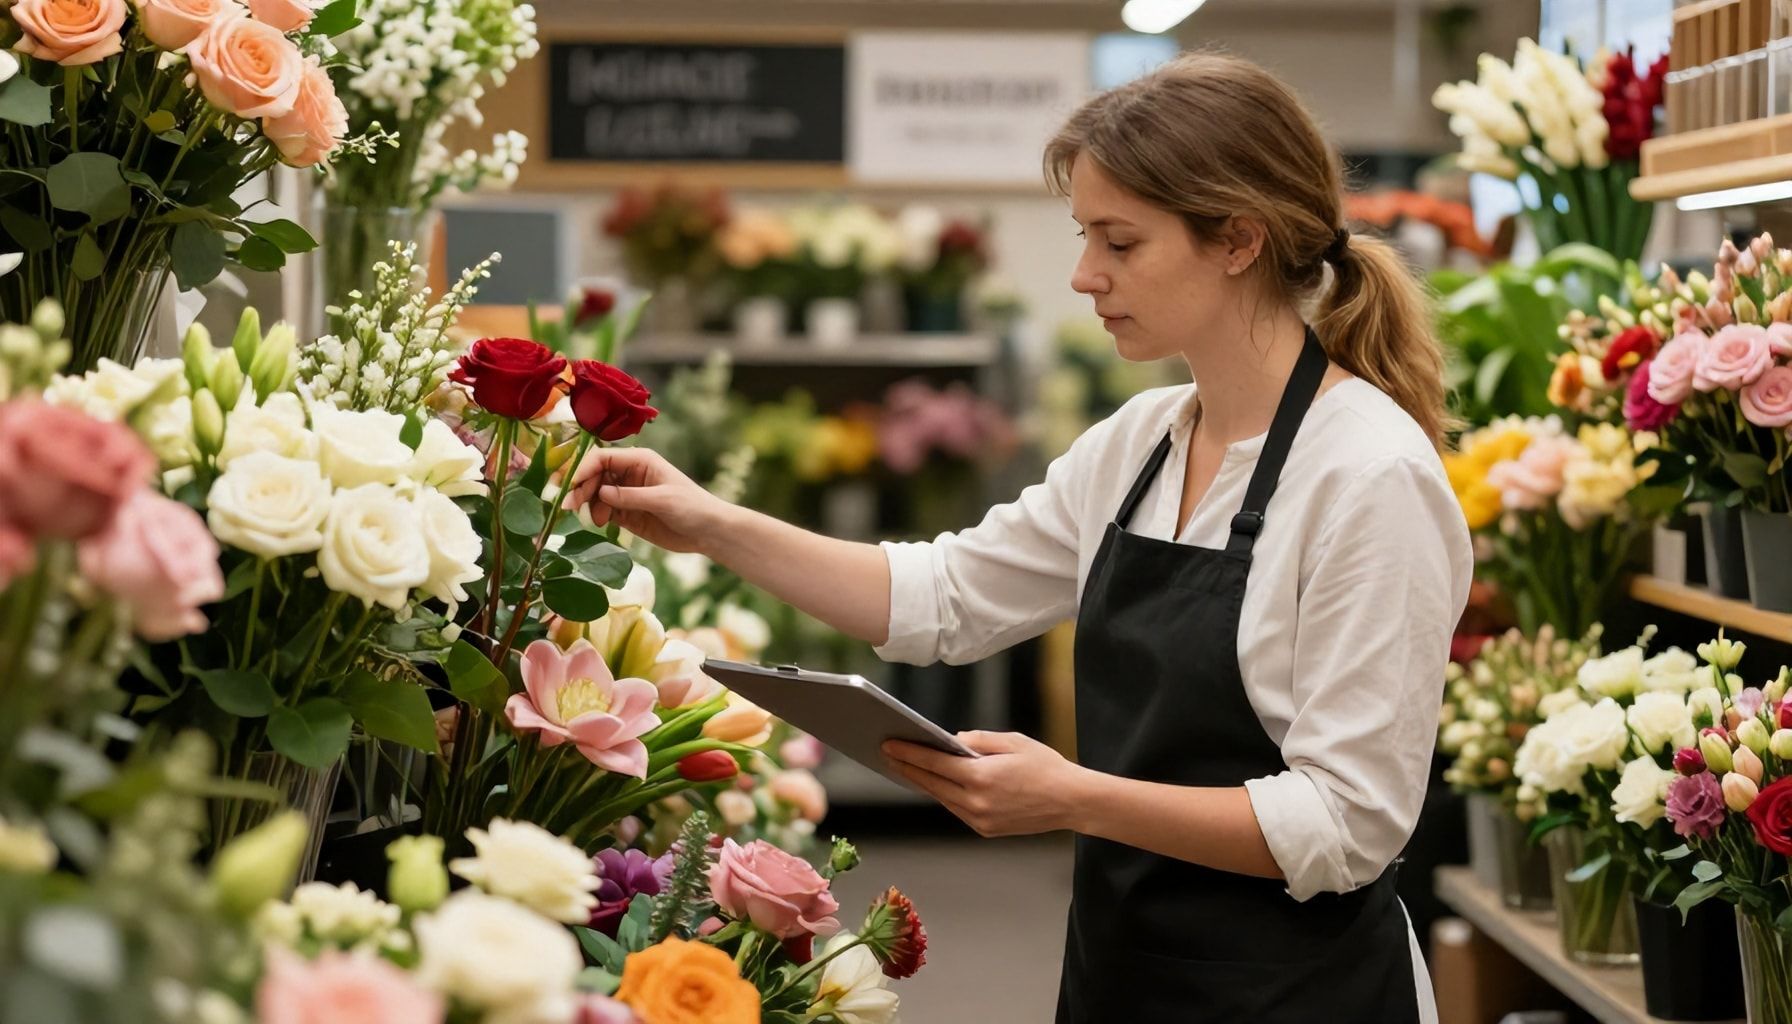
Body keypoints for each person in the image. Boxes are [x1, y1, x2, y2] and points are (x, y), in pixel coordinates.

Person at [572, 52, 1472, 1024]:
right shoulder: (1142, 442)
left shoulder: (1368, 476)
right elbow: (942, 598)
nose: (1086, 275)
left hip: (1305, 996)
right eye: (1087, 236)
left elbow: (1346, 824)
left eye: (1120, 242)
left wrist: (1076, 797)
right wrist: (708, 522)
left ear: (1239, 240)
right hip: (1124, 975)